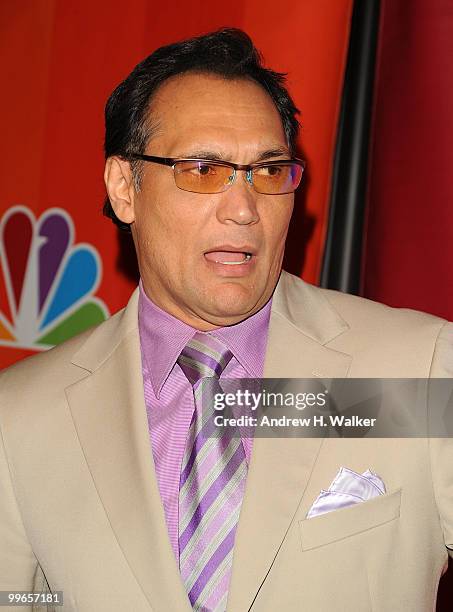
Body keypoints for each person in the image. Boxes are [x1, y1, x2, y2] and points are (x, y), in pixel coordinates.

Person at [0, 28, 452, 612]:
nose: (243, 209)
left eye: (268, 171)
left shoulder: (416, 368)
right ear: (124, 188)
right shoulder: (22, 416)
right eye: (203, 169)